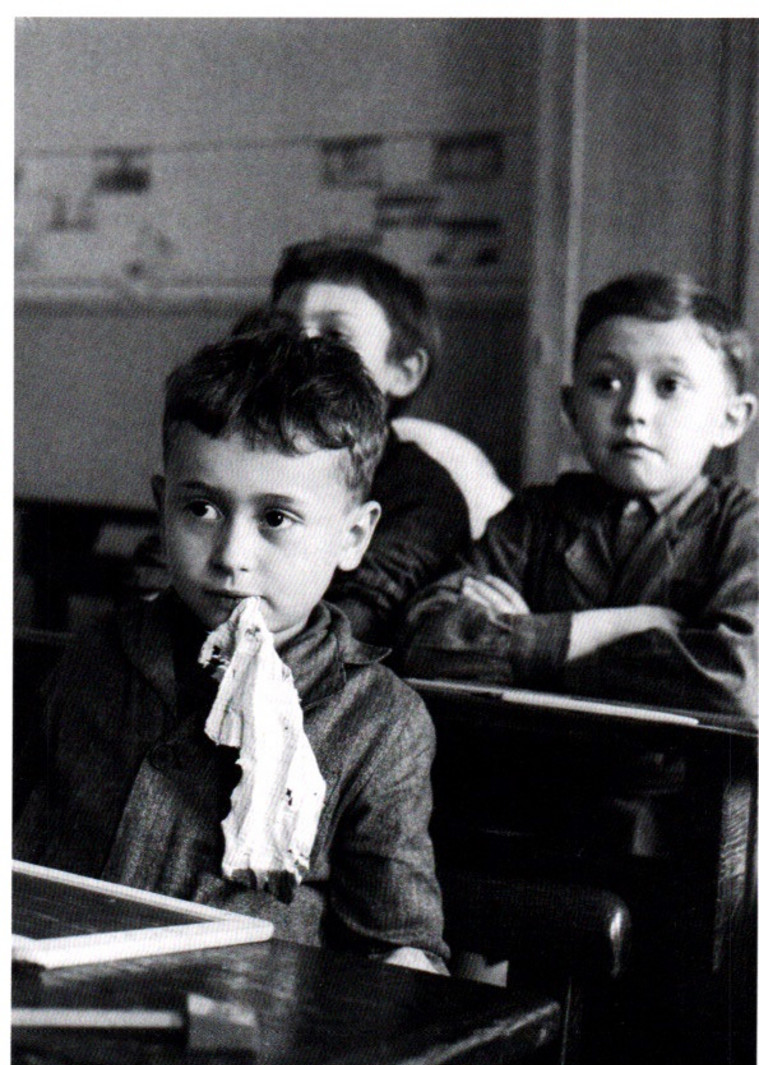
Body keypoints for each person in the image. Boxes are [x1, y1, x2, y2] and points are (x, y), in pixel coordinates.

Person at [14, 312, 449, 975]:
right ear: (163, 506)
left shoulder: (378, 722)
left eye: (276, 518)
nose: (232, 556)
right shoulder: (96, 656)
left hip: (243, 1041)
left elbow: (397, 946)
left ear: (353, 536)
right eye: (201, 508)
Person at [401, 272, 758, 720]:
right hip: (533, 774)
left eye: (669, 386)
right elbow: (428, 644)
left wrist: (537, 655)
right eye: (606, 383)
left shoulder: (741, 527)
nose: (633, 411)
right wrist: (603, 629)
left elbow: (740, 682)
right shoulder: (535, 518)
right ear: (571, 408)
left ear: (732, 419)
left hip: (680, 789)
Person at [266, 240, 475, 645]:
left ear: (403, 371)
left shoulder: (424, 494)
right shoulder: (240, 458)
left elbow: (353, 629)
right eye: (281, 331)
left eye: (336, 336)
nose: (300, 350)